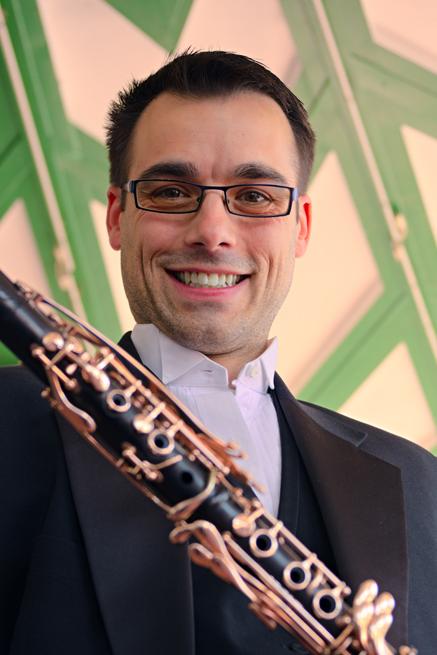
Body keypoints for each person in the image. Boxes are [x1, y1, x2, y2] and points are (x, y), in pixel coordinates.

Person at [1, 51, 436, 655]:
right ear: (117, 216)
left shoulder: (423, 489)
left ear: (301, 226)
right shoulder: (6, 418)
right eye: (172, 190)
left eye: (255, 196)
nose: (212, 230)